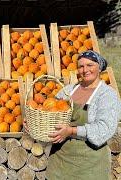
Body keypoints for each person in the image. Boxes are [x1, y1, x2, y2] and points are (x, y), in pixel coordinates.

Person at [39, 50, 121, 179]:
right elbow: (49, 113)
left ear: (99, 67)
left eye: (90, 65)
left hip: (90, 166)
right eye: (81, 66)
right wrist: (36, 122)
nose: (85, 70)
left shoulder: (107, 95)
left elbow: (105, 128)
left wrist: (71, 131)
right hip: (60, 162)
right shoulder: (68, 90)